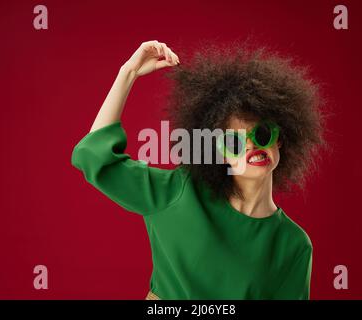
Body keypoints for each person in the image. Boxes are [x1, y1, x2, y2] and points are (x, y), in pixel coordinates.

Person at [71, 39, 327, 300]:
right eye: (233, 141)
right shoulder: (181, 192)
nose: (251, 146)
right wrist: (128, 73)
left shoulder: (293, 245)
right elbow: (94, 159)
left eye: (261, 134)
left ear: (280, 138)